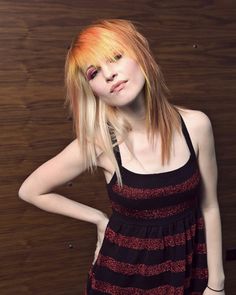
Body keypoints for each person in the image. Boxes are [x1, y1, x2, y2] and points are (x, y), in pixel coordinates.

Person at [18, 19, 225, 294]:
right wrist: (99, 219)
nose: (109, 75)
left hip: (188, 272)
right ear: (92, 90)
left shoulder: (196, 125)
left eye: (115, 57)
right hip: (121, 280)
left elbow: (209, 206)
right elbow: (30, 190)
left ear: (139, 54)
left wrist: (217, 284)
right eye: (94, 73)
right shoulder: (99, 143)